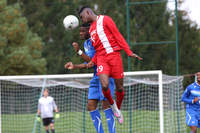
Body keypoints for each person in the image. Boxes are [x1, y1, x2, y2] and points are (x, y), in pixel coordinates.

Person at [78, 6, 143, 124]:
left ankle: (118, 108)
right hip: (102, 59)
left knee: (120, 88)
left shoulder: (105, 19)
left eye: (82, 17)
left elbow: (118, 36)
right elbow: (97, 50)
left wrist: (129, 52)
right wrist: (93, 61)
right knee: (104, 85)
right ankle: (113, 105)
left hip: (114, 56)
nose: (82, 20)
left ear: (88, 12)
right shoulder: (91, 29)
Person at [65, 23, 116, 133]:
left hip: (105, 75)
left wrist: (79, 52)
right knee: (91, 105)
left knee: (105, 104)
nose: (80, 33)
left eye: (83, 31)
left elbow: (93, 60)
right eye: (80, 31)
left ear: (89, 31)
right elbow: (89, 63)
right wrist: (75, 66)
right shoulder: (86, 43)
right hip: (95, 76)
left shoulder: (95, 41)